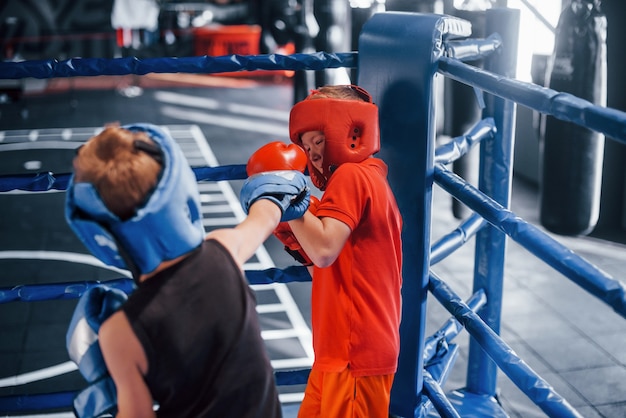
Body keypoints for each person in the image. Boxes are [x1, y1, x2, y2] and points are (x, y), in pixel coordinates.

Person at [64, 123, 310, 418]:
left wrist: (110, 391)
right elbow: (265, 216)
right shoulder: (224, 251)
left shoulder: (120, 334)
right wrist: (278, 184)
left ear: (98, 233)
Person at [280, 85, 403, 417]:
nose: (312, 154)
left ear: (351, 132)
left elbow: (323, 251)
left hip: (355, 355)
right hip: (338, 352)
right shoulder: (366, 180)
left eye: (318, 141)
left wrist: (286, 202)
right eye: (306, 147)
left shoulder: (352, 175)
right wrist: (294, 230)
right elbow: (322, 265)